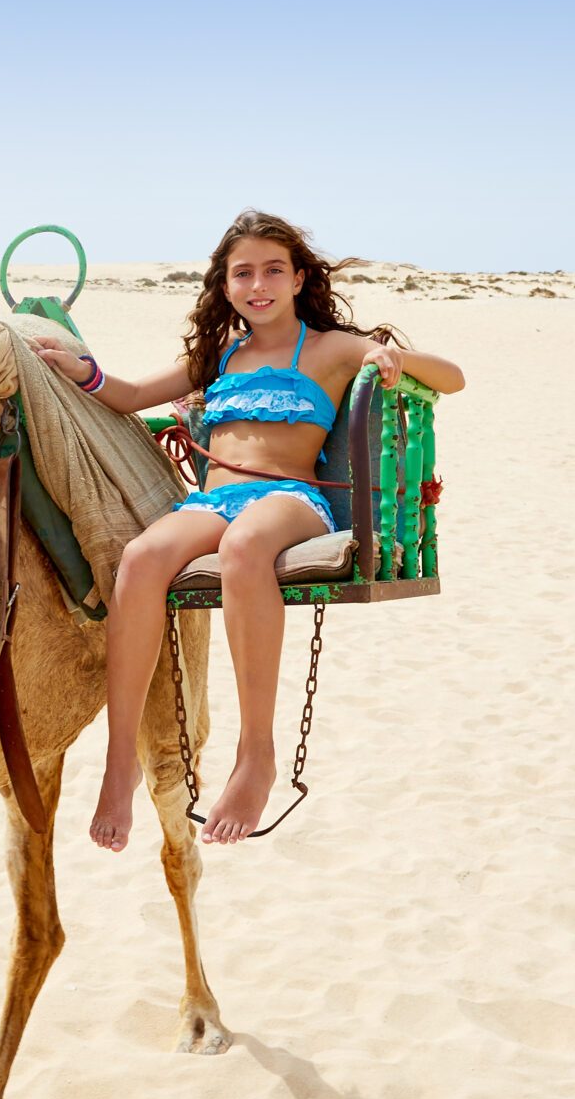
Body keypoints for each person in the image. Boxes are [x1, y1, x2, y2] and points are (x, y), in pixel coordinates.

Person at [30, 211, 465, 849]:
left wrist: (389, 356)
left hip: (292, 498)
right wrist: (80, 372)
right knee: (143, 557)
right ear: (225, 285)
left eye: (272, 270)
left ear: (297, 279)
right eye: (243, 273)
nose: (257, 283)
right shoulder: (219, 354)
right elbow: (129, 395)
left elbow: (452, 379)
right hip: (215, 501)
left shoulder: (331, 346)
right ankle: (121, 760)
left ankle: (256, 755)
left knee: (244, 546)